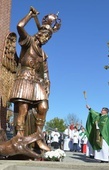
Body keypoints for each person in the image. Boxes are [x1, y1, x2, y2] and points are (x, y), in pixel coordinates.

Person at [9, 6, 61, 152]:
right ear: (40, 34)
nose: (46, 39)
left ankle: (38, 137)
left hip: (37, 83)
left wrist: (48, 86)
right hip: (24, 78)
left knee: (44, 106)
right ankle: (19, 138)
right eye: (45, 36)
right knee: (23, 110)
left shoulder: (43, 55)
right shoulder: (28, 42)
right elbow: (19, 26)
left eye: (48, 38)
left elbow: (45, 73)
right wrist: (30, 15)